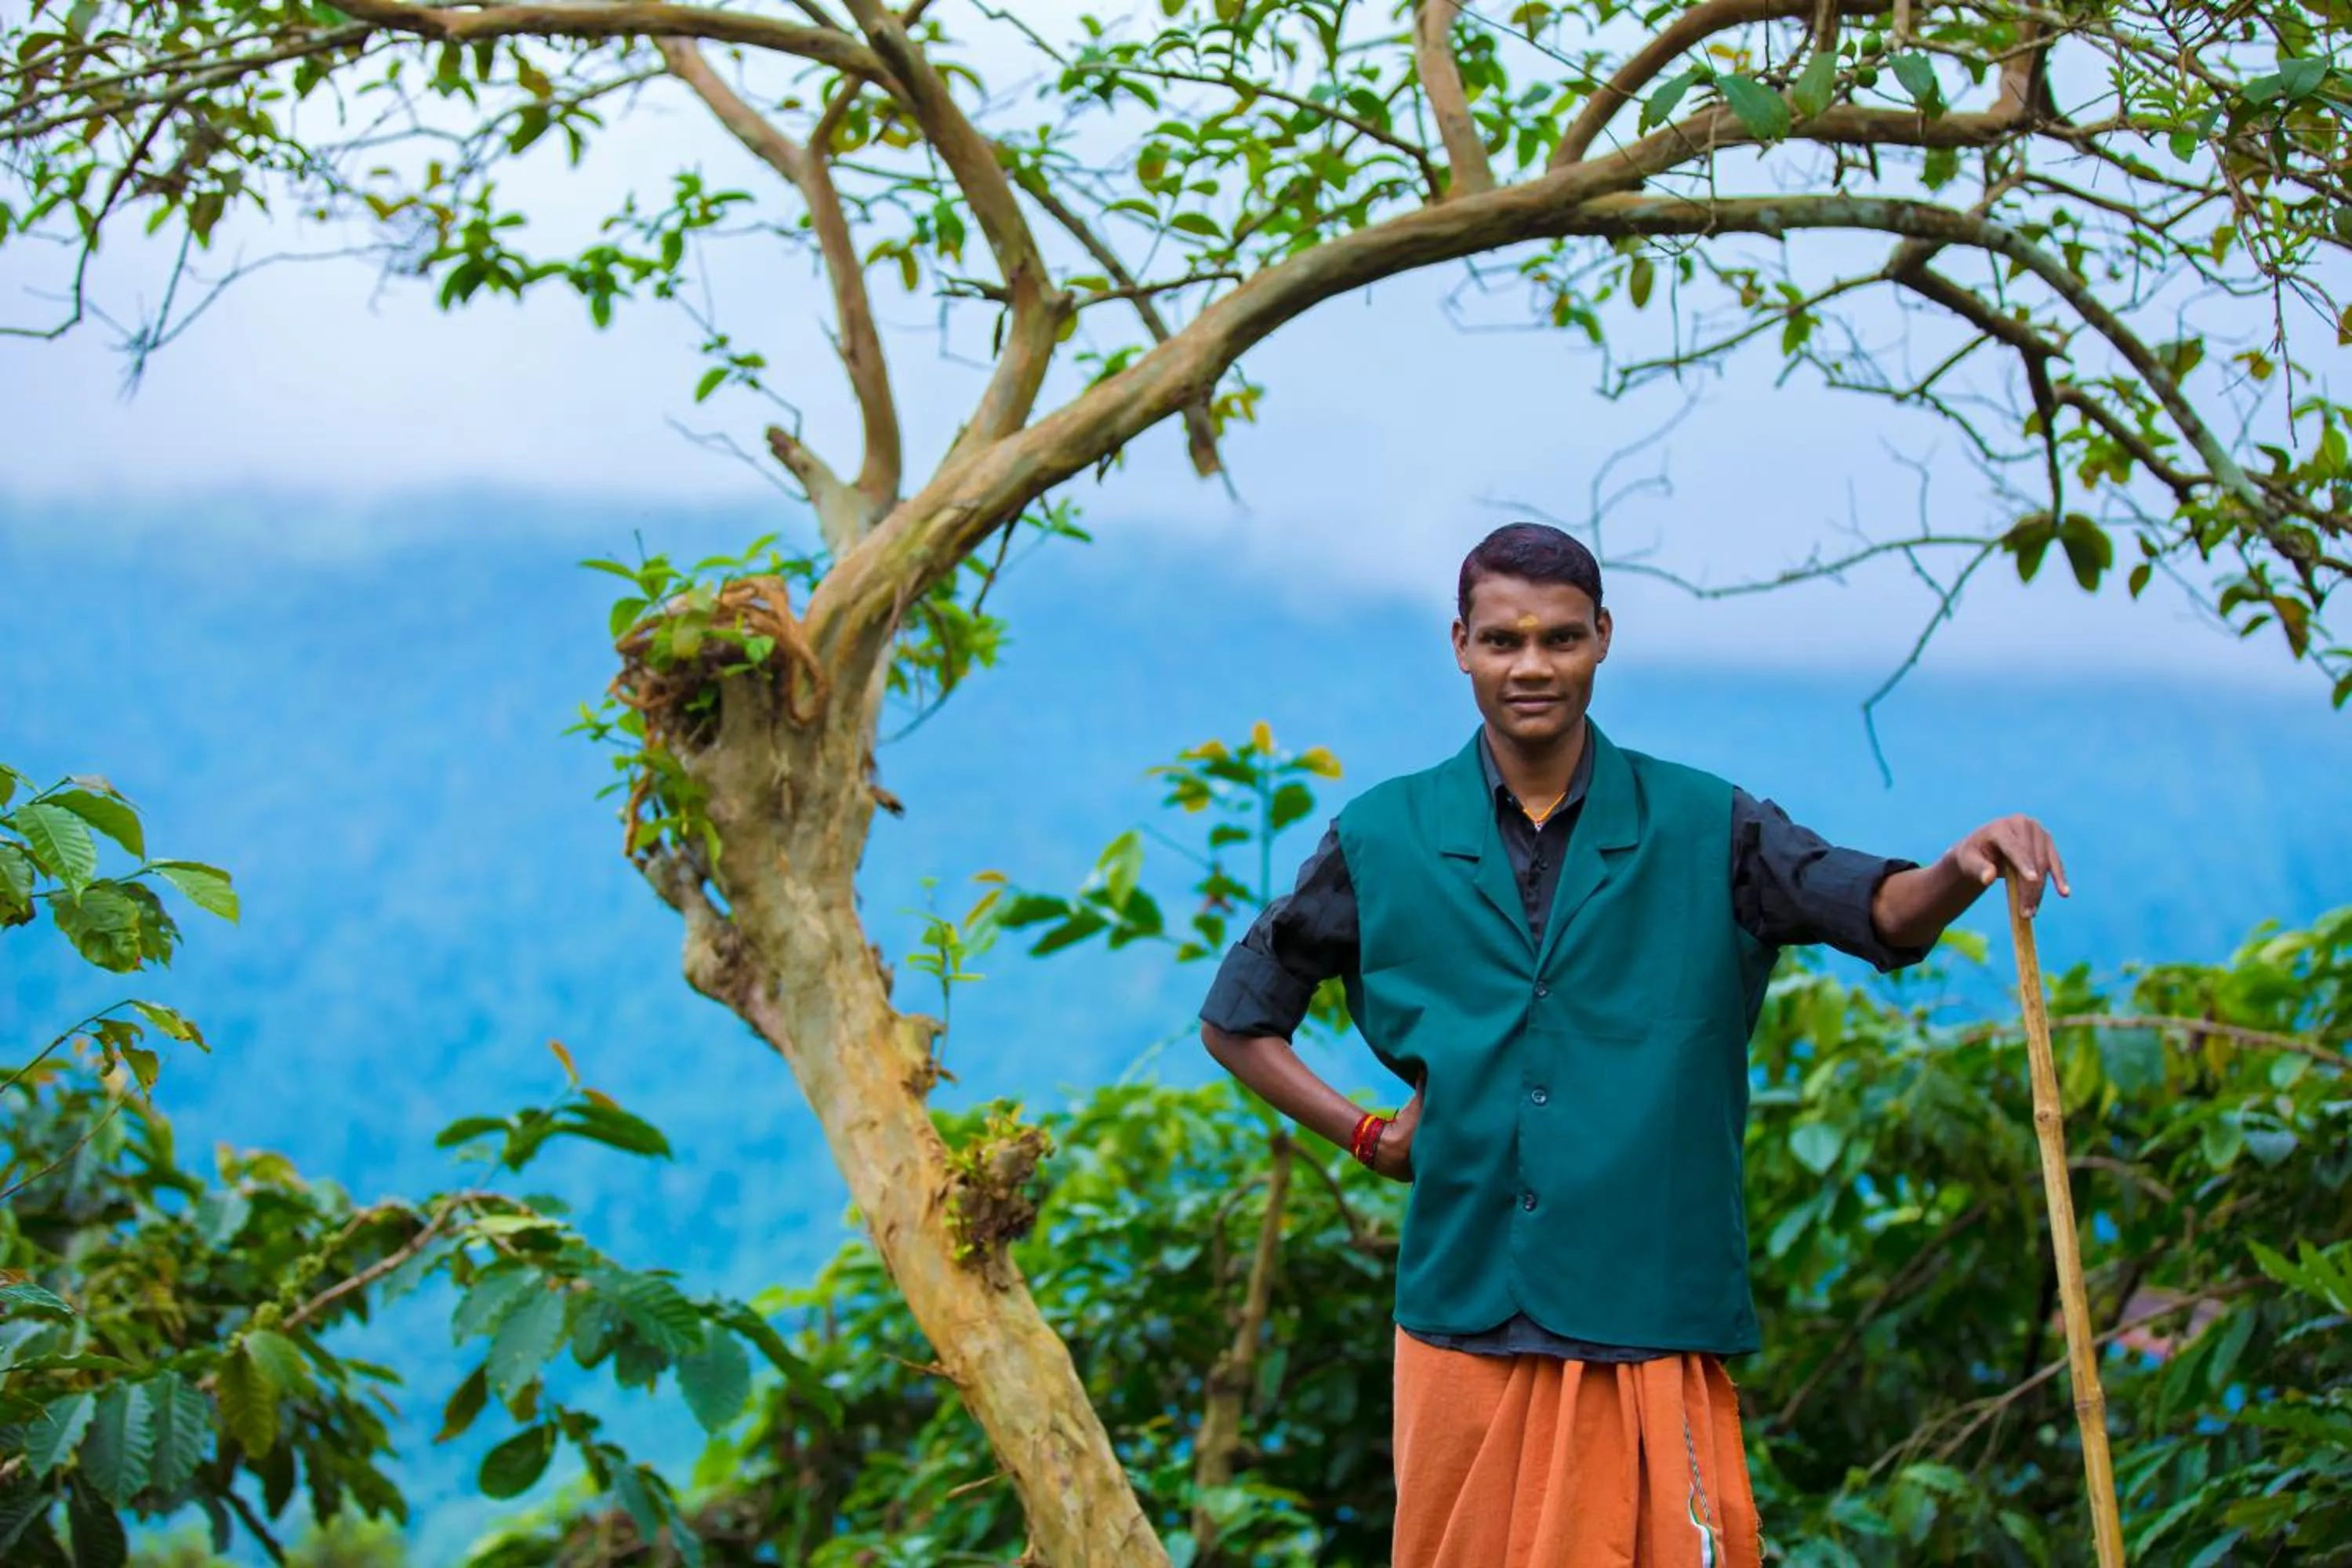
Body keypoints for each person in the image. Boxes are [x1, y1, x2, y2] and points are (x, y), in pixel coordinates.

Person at [1196, 522, 2069, 1568]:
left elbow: (1879, 913)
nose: (1533, 666)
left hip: (1649, 1305)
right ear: (1461, 644)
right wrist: (1369, 1135)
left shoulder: (1706, 824)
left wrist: (1962, 866)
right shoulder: (1386, 834)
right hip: (1462, 1309)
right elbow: (1239, 1018)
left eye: (1561, 640)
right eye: (1504, 640)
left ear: (1603, 638)